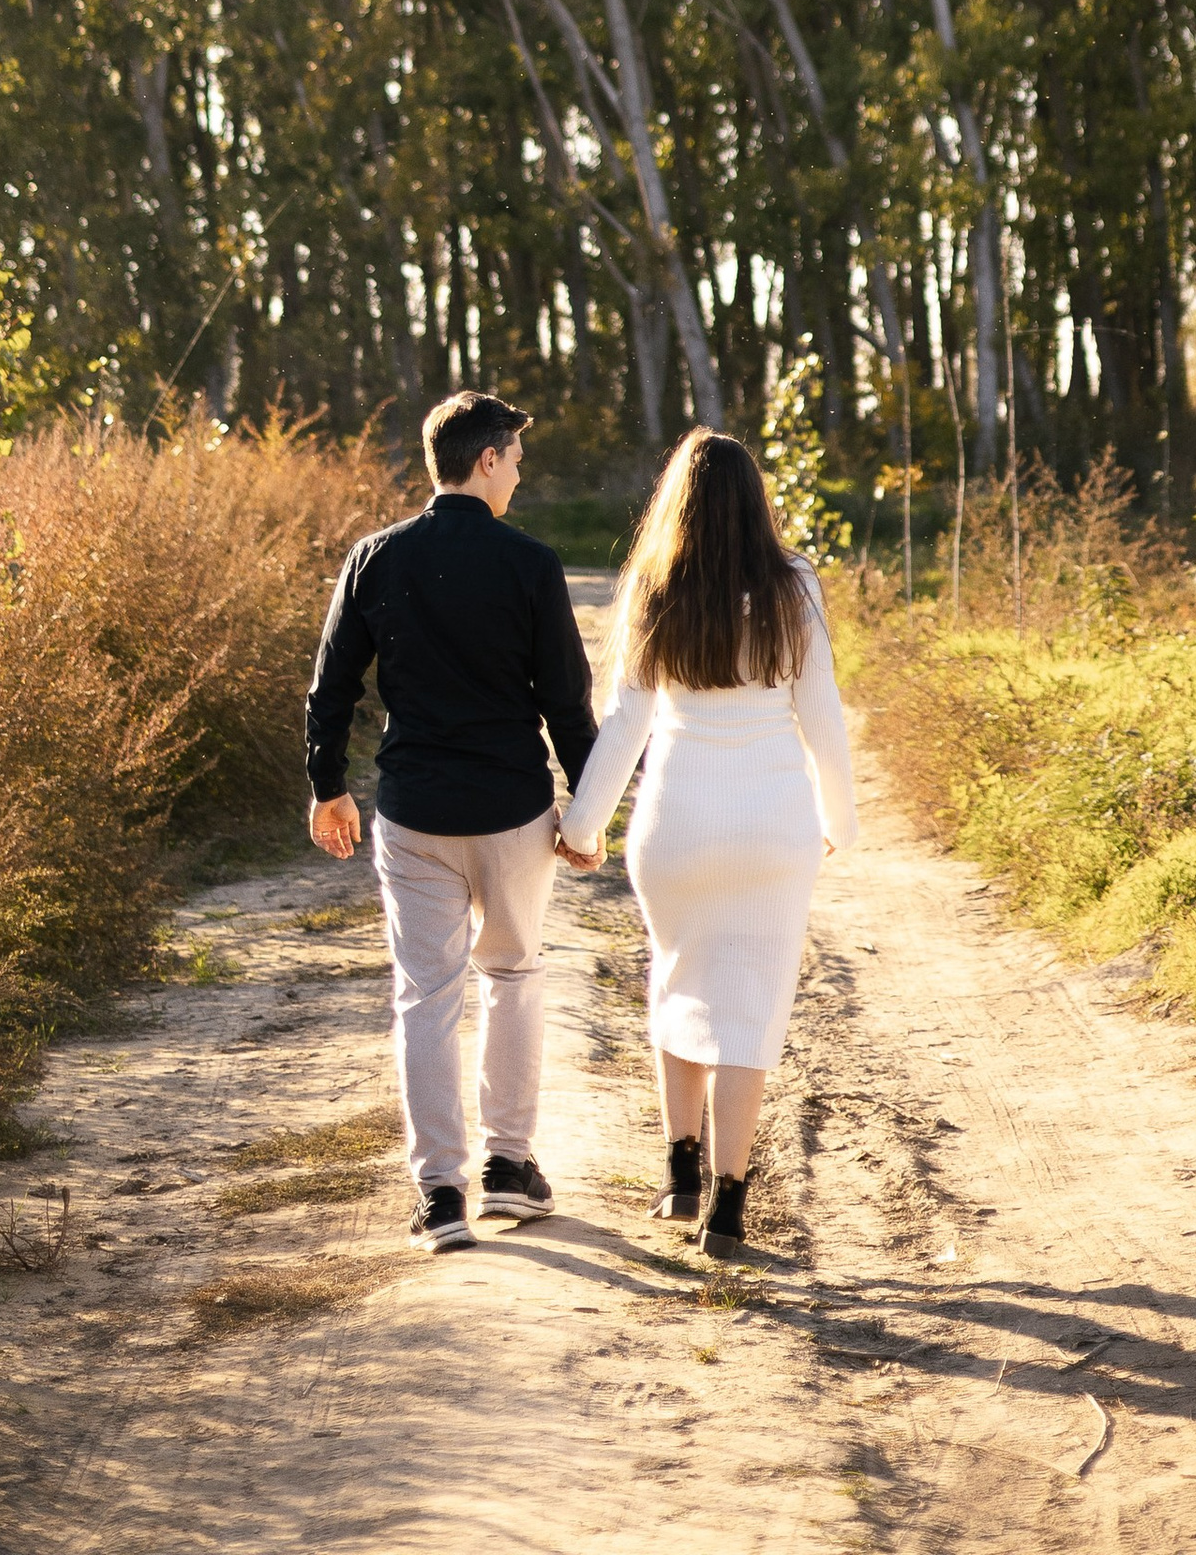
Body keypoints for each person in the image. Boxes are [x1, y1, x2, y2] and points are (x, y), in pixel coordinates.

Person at [306, 389, 597, 1254]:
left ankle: (441, 1196)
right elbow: (568, 705)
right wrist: (587, 812)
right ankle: (509, 1169)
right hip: (512, 813)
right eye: (514, 459)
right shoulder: (530, 563)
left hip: (416, 815)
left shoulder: (374, 557)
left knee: (425, 999)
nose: (518, 474)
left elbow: (331, 687)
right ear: (485, 461)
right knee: (512, 977)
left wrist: (328, 785)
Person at [556, 428, 857, 1261]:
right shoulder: (794, 585)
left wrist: (582, 827)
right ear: (755, 502)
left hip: (677, 824)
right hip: (773, 827)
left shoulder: (655, 587)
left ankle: (678, 1173)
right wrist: (842, 821)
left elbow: (624, 727)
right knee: (751, 1009)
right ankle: (727, 1204)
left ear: (675, 506)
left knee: (679, 981)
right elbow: (821, 716)